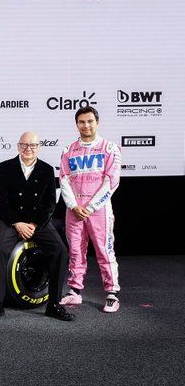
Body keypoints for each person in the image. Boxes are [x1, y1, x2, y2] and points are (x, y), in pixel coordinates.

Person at [0, 131, 74, 321]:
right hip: (12, 221)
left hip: (37, 222)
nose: (28, 149)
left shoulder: (47, 169)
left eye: (32, 145)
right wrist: (17, 223)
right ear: (18, 146)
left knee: (60, 250)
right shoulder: (5, 167)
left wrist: (34, 224)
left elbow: (50, 203)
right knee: (0, 249)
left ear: (39, 147)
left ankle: (54, 304)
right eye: (24, 145)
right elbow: (0, 201)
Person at [59, 106, 122, 313]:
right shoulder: (68, 150)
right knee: (76, 250)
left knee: (105, 250)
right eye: (81, 122)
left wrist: (91, 206)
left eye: (89, 121)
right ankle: (75, 291)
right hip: (74, 209)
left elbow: (111, 182)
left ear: (97, 122)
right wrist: (73, 206)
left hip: (99, 210)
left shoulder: (110, 148)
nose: (85, 126)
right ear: (76, 124)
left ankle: (112, 294)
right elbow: (64, 180)